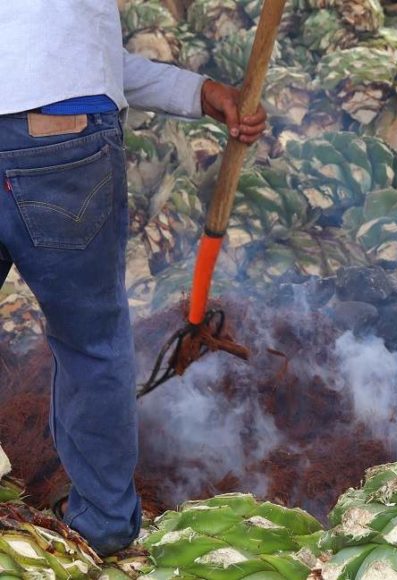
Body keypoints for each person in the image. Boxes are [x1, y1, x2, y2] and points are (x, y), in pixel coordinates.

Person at [0, 1, 266, 555]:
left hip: (52, 110)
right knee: (90, 343)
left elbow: (62, 45)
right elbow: (68, 56)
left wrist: (199, 92)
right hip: (59, 135)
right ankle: (101, 528)